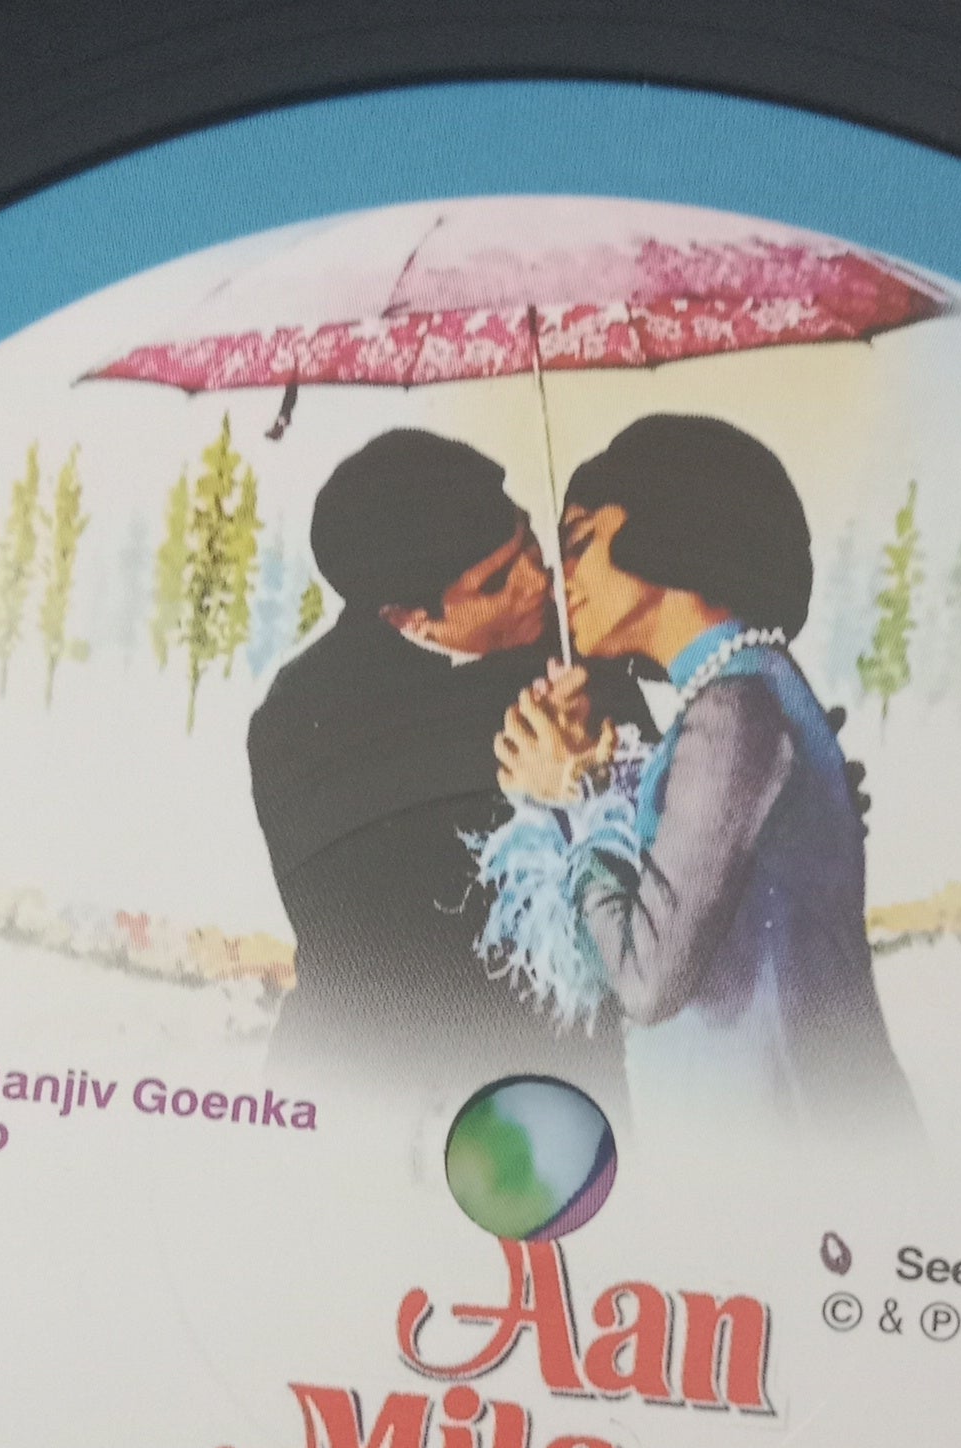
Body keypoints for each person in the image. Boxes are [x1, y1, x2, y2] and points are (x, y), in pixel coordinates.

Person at [482, 414, 914, 1140]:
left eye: (580, 544)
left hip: (784, 1141)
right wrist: (595, 770)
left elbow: (646, 982)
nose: (564, 583)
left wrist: (573, 799)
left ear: (667, 528)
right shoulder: (749, 690)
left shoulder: (733, 711)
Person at [245, 430, 647, 1104]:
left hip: (570, 1083)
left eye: (528, 542)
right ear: (411, 619)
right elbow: (410, 955)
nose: (539, 581)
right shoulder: (305, 720)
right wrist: (564, 799)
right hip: (381, 1085)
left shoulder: (582, 655)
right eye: (496, 582)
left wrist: (610, 767)